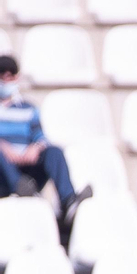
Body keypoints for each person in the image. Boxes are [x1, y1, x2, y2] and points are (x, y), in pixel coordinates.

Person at [0, 55, 91, 222]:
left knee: (53, 152)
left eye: (11, 74)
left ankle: (68, 201)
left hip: (28, 170)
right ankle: (19, 186)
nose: (6, 79)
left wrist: (36, 147)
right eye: (2, 74)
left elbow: (39, 136)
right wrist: (4, 148)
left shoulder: (29, 109)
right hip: (2, 175)